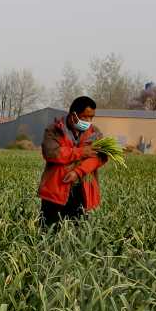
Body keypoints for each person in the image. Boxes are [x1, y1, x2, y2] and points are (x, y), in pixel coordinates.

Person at [39, 95, 107, 228]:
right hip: (56, 190)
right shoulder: (54, 130)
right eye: (84, 117)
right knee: (48, 231)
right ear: (73, 114)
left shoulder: (95, 133)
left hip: (83, 191)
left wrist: (78, 172)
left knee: (77, 232)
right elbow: (52, 153)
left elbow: (99, 157)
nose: (88, 121)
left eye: (91, 117)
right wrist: (82, 152)